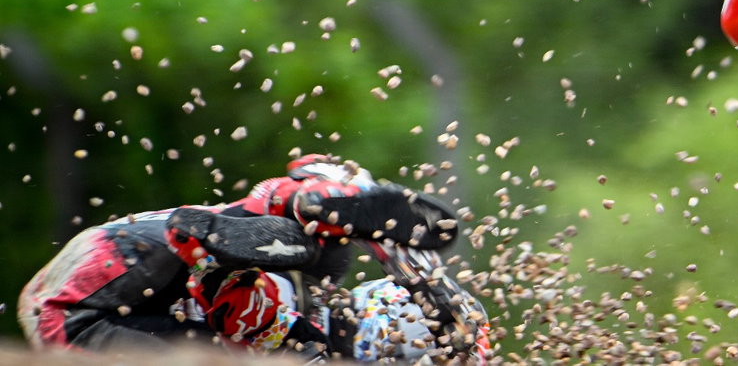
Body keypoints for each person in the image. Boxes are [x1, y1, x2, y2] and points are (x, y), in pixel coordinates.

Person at [17, 154, 465, 359]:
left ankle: (311, 200)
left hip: (117, 275)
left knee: (286, 258)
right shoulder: (305, 300)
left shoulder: (308, 303)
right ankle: (310, 199)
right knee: (290, 251)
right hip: (90, 296)